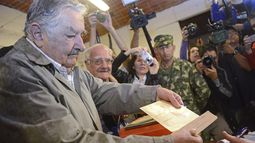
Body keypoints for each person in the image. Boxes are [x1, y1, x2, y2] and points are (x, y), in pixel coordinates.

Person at [0, 0, 203, 143]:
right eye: (71, 35)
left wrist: (154, 92)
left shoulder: (68, 68)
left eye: (82, 35)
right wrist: (168, 142)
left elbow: (105, 92)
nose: (80, 45)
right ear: (37, 33)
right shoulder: (17, 73)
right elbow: (71, 140)